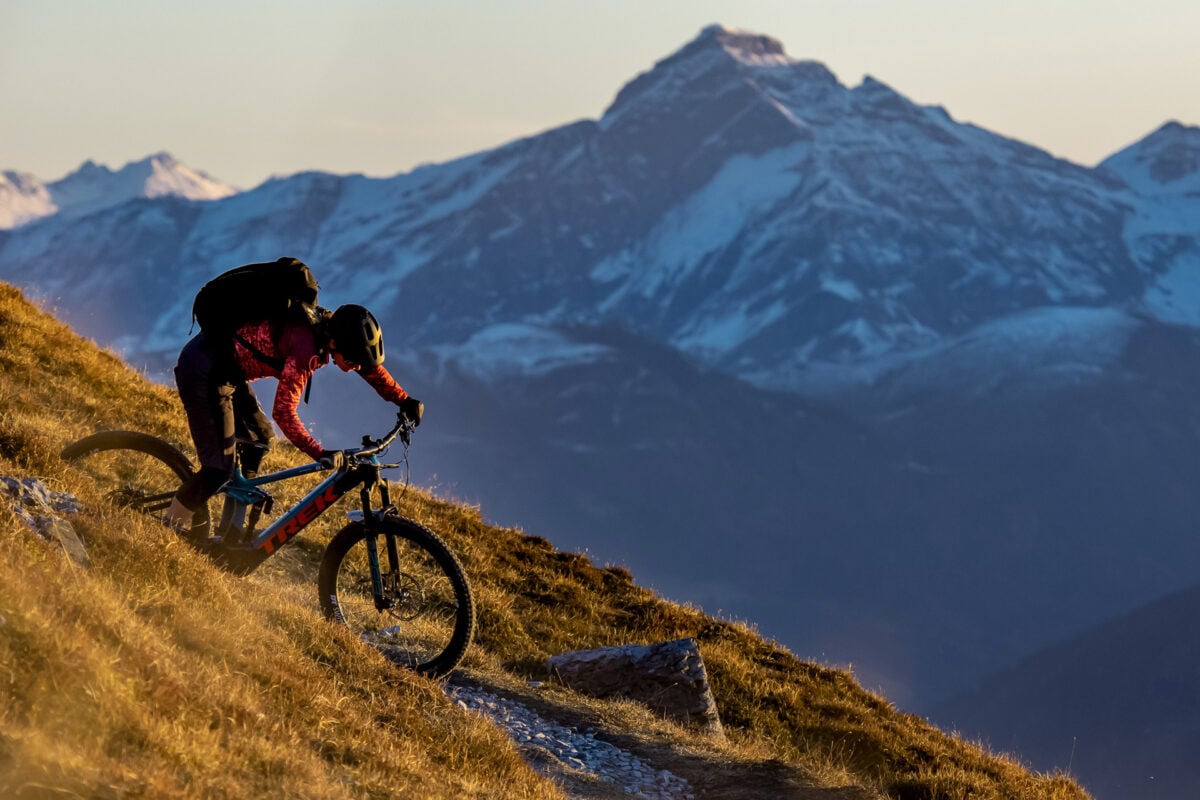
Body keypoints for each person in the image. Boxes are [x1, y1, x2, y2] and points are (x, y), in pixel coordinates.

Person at [163, 302, 422, 530]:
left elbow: (369, 368)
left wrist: (404, 399)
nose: (356, 368)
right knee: (217, 470)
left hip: (226, 371)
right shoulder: (305, 348)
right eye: (353, 362)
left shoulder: (328, 330)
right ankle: (167, 530)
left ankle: (230, 532)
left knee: (259, 439)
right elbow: (283, 412)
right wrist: (319, 452)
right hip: (203, 371)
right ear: (334, 344)